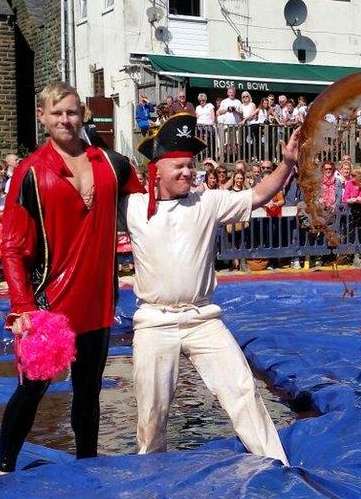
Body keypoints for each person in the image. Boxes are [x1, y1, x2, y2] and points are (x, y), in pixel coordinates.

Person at [121, 113, 291, 465]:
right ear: (158, 170)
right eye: (179, 166)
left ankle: (277, 463)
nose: (187, 171)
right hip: (154, 320)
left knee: (243, 390)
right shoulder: (133, 208)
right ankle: (149, 473)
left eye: (190, 165)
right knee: (151, 412)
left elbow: (259, 194)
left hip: (203, 318)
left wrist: (287, 163)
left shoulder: (208, 201)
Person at [0, 81, 144, 475]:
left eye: (73, 112)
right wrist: (22, 306)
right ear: (42, 117)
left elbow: (148, 203)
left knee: (89, 393)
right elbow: (10, 245)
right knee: (32, 389)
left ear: (83, 116)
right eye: (57, 112)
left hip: (98, 301)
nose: (66, 119)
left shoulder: (113, 164)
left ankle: (88, 466)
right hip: (47, 305)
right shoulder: (29, 171)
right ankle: (4, 468)